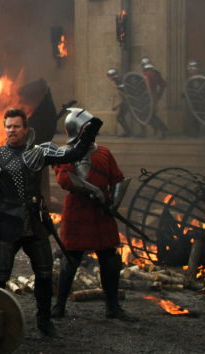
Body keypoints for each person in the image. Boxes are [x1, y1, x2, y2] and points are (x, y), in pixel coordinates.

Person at [0, 108, 103, 337]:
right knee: (0, 275)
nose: (12, 130)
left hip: (35, 221)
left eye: (16, 126)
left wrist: (91, 130)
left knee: (44, 273)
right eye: (8, 127)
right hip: (6, 221)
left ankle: (45, 321)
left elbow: (73, 154)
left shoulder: (40, 152)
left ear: (25, 129)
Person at [51, 108, 131, 320]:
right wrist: (95, 191)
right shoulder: (65, 154)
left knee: (110, 261)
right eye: (88, 130)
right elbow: (65, 179)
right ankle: (59, 306)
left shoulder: (103, 152)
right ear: (78, 131)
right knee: (70, 260)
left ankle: (113, 307)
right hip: (78, 210)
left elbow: (117, 178)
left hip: (101, 213)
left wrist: (113, 203)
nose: (92, 134)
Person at [140, 57, 169, 138]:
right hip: (153, 96)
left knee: (148, 115)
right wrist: (159, 95)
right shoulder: (156, 73)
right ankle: (157, 129)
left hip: (148, 97)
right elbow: (163, 85)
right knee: (149, 115)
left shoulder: (146, 74)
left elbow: (147, 87)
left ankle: (163, 129)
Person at [105, 69, 135, 137]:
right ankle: (128, 132)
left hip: (129, 102)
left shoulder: (118, 83)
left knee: (120, 117)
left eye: (109, 76)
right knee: (120, 117)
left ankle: (128, 132)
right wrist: (117, 106)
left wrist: (117, 106)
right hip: (127, 102)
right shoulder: (118, 82)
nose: (109, 78)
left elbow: (125, 96)